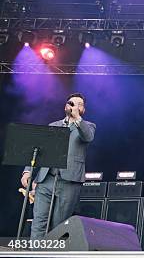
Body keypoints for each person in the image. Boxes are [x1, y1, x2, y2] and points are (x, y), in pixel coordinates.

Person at [20, 93, 96, 240]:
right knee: (39, 222)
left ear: (83, 109)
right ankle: (36, 255)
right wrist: (27, 171)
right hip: (45, 179)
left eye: (79, 104)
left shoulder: (88, 126)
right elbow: (37, 149)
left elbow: (88, 137)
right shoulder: (53, 126)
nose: (74, 106)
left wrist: (77, 118)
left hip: (69, 182)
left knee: (58, 225)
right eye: (71, 103)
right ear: (65, 106)